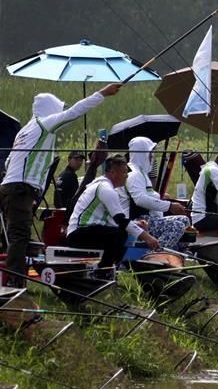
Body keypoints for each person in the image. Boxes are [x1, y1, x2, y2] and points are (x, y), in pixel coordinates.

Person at [0, 83, 121, 282]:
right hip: (20, 188)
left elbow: (8, 161)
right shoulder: (44, 124)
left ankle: (17, 277)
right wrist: (103, 93)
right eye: (58, 108)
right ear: (50, 109)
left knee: (16, 235)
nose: (61, 112)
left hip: (10, 187)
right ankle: (15, 283)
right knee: (19, 237)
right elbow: (75, 111)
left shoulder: (24, 131)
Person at [66, 154, 159, 274]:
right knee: (120, 234)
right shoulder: (106, 189)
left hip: (85, 231)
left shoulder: (105, 186)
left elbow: (114, 220)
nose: (126, 176)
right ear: (113, 172)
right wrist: (147, 237)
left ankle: (108, 268)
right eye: (124, 172)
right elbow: (121, 221)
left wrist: (136, 224)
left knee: (120, 232)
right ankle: (105, 270)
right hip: (78, 234)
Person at [125, 137, 189, 250]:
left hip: (150, 218)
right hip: (139, 219)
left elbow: (149, 195)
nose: (152, 157)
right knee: (177, 226)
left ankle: (176, 251)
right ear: (142, 153)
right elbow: (140, 199)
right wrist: (169, 206)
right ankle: (155, 253)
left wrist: (165, 201)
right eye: (150, 153)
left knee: (185, 220)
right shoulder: (134, 174)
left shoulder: (142, 174)